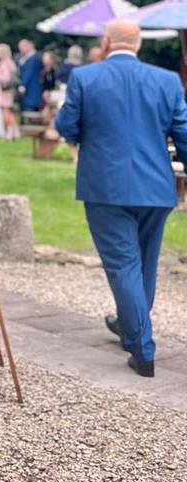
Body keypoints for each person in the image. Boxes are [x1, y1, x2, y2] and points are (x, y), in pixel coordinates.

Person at [55, 19, 187, 377]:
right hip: (157, 188)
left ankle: (142, 350)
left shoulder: (86, 77)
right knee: (143, 263)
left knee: (124, 265)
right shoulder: (167, 80)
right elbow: (184, 132)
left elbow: (66, 126)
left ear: (106, 42)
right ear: (139, 43)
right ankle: (128, 323)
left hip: (106, 186)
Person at [0, 43, 21, 141]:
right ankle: (13, 132)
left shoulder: (5, 63)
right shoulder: (10, 62)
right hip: (8, 90)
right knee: (9, 112)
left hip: (4, 91)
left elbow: (5, 77)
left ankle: (7, 133)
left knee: (5, 112)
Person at [17, 39, 43, 112]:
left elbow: (28, 73)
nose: (20, 50)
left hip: (31, 92)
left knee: (29, 111)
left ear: (28, 46)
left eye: (21, 48)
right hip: (31, 92)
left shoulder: (33, 59)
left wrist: (23, 85)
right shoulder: (29, 58)